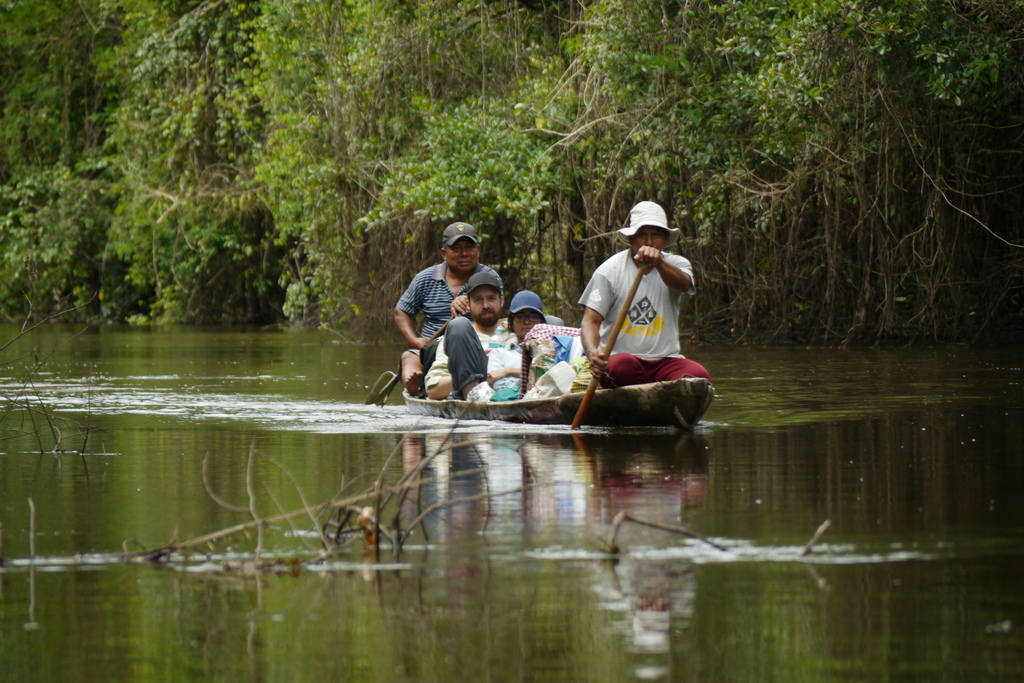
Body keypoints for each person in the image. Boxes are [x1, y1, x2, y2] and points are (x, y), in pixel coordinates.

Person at [578, 201, 711, 388]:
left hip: (664, 362)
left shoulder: (678, 264)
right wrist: (592, 351)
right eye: (642, 235)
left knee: (698, 376)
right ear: (632, 239)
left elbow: (683, 284)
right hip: (623, 362)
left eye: (655, 235)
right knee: (620, 367)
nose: (649, 242)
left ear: (665, 240)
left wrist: (658, 263)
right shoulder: (609, 271)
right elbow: (590, 321)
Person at [394, 222, 502, 396]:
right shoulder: (425, 278)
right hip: (433, 348)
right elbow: (401, 311)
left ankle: (464, 383)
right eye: (456, 248)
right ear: (444, 253)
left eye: (470, 247)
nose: (464, 254)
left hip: (473, 344)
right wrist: (415, 341)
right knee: (410, 356)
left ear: (478, 251)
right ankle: (413, 384)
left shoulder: (489, 277)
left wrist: (471, 302)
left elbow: (494, 310)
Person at [424, 272, 517, 400]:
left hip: (516, 387)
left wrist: (504, 369)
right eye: (478, 299)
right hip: (474, 391)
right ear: (468, 305)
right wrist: (471, 374)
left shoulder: (517, 327)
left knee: (551, 322)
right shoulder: (458, 336)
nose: (485, 306)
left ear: (501, 301)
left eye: (491, 298)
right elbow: (434, 391)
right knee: (458, 324)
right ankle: (475, 396)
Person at [480, 290, 547, 398]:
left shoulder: (549, 353)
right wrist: (530, 377)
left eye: (533, 316)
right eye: (520, 316)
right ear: (511, 322)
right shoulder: (499, 354)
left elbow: (550, 376)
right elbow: (499, 387)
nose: (526, 321)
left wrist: (508, 372)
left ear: (541, 321)